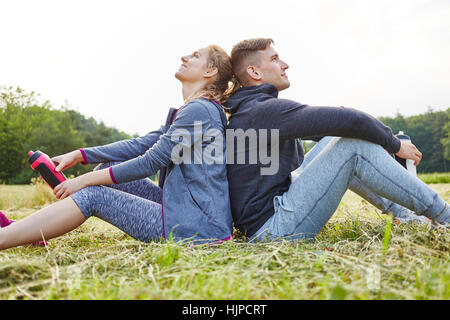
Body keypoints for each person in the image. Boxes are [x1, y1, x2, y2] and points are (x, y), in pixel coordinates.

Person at [0, 44, 234, 250]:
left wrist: (81, 181)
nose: (184, 57)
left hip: (196, 229)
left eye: (195, 55)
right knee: (109, 166)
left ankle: (4, 238)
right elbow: (140, 144)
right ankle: (24, 233)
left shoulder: (200, 111)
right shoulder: (194, 111)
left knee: (94, 195)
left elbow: (151, 161)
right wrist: (80, 155)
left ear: (210, 71)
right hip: (184, 209)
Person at [225, 38, 449, 241]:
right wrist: (396, 144)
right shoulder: (262, 111)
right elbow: (350, 120)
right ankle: (444, 215)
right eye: (274, 59)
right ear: (254, 72)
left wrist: (381, 147)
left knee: (341, 139)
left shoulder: (253, 110)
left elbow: (336, 129)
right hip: (273, 230)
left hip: (272, 217)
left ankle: (404, 214)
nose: (285, 64)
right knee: (351, 145)